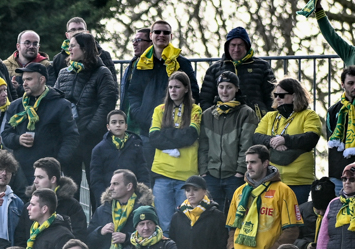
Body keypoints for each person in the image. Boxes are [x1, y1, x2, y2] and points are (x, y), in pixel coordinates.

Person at [228, 145, 302, 249]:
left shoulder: (283, 191)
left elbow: (292, 229)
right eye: (247, 162)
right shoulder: (239, 192)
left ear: (265, 163)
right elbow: (232, 226)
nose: (249, 167)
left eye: (253, 162)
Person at [1, 63, 77, 192]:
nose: (24, 83)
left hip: (48, 174)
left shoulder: (61, 105)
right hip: (20, 171)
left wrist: (57, 164)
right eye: (23, 79)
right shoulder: (16, 106)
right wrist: (18, 139)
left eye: (29, 79)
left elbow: (71, 137)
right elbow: (5, 135)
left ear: (42, 80)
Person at [54, 32, 117, 186]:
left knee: (96, 184)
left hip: (92, 139)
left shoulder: (102, 72)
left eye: (73, 46)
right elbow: (56, 101)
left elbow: (107, 103)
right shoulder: (64, 72)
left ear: (84, 48)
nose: (69, 49)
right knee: (70, 186)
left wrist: (90, 129)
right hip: (70, 138)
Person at [252, 79, 322, 200]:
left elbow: (311, 138)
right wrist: (273, 141)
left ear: (294, 96)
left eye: (282, 95)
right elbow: (256, 137)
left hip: (298, 181)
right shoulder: (270, 116)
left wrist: (285, 140)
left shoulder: (309, 115)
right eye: (275, 95)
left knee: (295, 213)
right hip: (272, 178)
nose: (277, 98)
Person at [125, 21, 198, 134]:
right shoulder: (141, 63)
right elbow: (134, 92)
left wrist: (182, 115)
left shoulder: (182, 63)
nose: (161, 35)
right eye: (157, 32)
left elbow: (193, 92)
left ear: (171, 36)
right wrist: (140, 115)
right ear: (151, 35)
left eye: (166, 32)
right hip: (146, 127)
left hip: (175, 128)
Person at [200, 73, 259, 209]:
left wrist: (240, 171)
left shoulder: (246, 113)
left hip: (235, 176)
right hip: (211, 175)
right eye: (221, 87)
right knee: (213, 215)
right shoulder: (207, 114)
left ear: (237, 89)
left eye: (229, 87)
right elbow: (203, 145)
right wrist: (204, 171)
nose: (224, 91)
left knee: (238, 213)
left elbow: (247, 145)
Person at [149, 71, 202, 212]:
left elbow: (190, 135)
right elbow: (154, 138)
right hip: (162, 173)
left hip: (186, 175)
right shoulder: (159, 110)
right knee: (164, 222)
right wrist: (179, 135)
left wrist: (165, 133)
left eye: (177, 87)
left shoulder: (195, 110)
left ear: (186, 89)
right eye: (170, 87)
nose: (173, 90)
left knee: (185, 220)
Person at [201, 27, 275, 113]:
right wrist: (211, 117)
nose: (236, 49)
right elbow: (205, 99)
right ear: (227, 47)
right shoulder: (215, 69)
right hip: (223, 117)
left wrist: (269, 117)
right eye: (233, 45)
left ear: (247, 46)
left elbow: (271, 96)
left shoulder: (262, 66)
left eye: (240, 45)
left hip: (256, 117)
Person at [89, 111, 151, 212]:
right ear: (108, 126)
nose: (118, 125)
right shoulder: (99, 149)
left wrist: (144, 194)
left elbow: (143, 171)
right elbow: (96, 178)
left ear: (126, 126)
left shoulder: (136, 146)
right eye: (114, 122)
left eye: (121, 122)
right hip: (109, 197)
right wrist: (103, 198)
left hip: (133, 197)